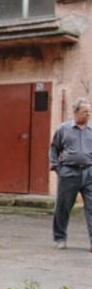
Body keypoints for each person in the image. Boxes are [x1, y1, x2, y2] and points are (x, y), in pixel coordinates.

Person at [49, 97, 92, 250]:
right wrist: (56, 167)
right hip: (69, 172)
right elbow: (54, 148)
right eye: (85, 111)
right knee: (63, 207)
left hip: (89, 173)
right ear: (75, 112)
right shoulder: (63, 129)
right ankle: (60, 239)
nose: (88, 114)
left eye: (89, 111)